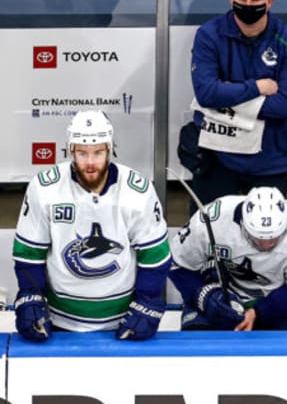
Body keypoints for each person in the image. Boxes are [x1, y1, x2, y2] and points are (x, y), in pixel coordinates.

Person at [12, 111, 170, 341]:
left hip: (123, 321)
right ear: (70, 150)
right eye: (82, 153)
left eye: (98, 152)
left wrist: (148, 302)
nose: (90, 162)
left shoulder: (138, 191)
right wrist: (31, 296)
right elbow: (29, 253)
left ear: (110, 149)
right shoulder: (45, 188)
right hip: (59, 320)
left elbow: (155, 256)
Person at [189, 0, 287, 210]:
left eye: (255, 0)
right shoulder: (209, 35)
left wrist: (227, 99)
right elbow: (207, 93)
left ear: (270, 1)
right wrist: (257, 87)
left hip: (269, 162)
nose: (248, 6)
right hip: (216, 160)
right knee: (206, 241)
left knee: (268, 245)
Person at [169, 186, 287, 331]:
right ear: (242, 224)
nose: (265, 245)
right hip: (220, 291)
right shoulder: (211, 219)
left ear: (286, 226)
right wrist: (205, 297)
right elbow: (176, 263)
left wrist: (261, 311)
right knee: (197, 344)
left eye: (273, 238)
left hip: (278, 301)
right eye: (257, 238)